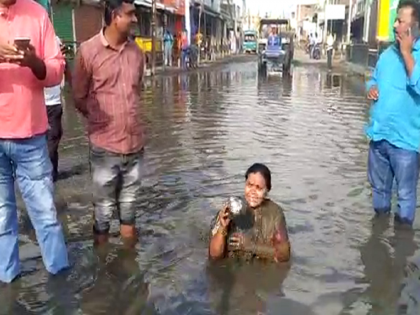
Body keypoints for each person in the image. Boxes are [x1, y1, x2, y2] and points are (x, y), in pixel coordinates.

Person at [0, 0, 69, 283]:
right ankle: (8, 280)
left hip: (31, 136)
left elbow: (57, 68)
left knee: (46, 216)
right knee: (2, 219)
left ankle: (61, 287)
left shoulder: (37, 13)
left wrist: (33, 62)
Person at [72, 0, 145, 245]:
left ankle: (129, 271)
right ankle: (102, 274)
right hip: (104, 149)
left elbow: (138, 92)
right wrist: (101, 123)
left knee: (129, 215)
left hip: (134, 147)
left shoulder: (137, 53)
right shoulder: (88, 51)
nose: (135, 19)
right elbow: (79, 97)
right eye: (130, 14)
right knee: (102, 216)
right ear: (115, 16)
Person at [366, 0, 420, 226]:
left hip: (406, 142)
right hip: (379, 137)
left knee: (406, 197)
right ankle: (378, 236)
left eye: (400, 21)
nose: (394, 25)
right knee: (379, 195)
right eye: (395, 20)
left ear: (415, 27)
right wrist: (371, 88)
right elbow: (373, 79)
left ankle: (402, 248)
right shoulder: (387, 54)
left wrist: (408, 53)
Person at [208, 163, 291, 262]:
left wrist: (251, 246)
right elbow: (214, 256)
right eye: (249, 185)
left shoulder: (275, 213)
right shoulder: (232, 208)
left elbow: (284, 255)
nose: (252, 191)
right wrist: (222, 228)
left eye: (258, 188)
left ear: (267, 190)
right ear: (245, 184)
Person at [44, 36, 72, 182]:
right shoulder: (28, 42)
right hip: (37, 103)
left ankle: (52, 174)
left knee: (53, 138)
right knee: (44, 141)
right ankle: (47, 174)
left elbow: (65, 65)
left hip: (53, 102)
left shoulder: (55, 40)